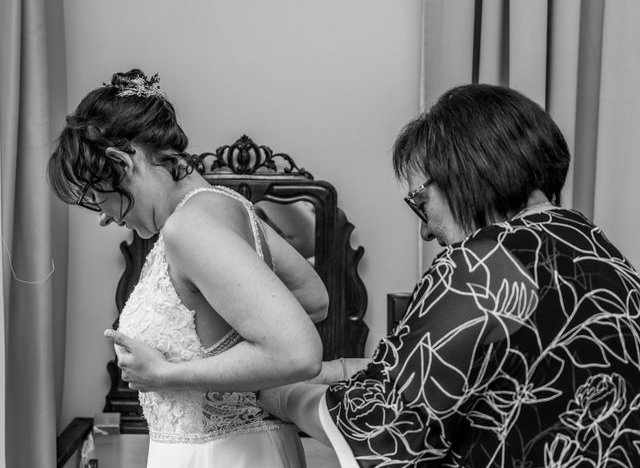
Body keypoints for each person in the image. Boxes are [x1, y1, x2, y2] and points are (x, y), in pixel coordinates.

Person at [258, 83, 640, 467]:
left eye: (421, 202)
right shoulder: (596, 248)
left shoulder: (483, 264)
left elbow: (381, 426)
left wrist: (278, 396)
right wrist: (329, 372)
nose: (425, 230)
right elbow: (481, 373)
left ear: (465, 171)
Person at [48, 69, 329, 468]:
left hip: (223, 455)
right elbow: (313, 299)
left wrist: (164, 375)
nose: (103, 218)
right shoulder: (225, 204)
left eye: (97, 196)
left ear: (121, 162)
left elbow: (299, 353)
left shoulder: (190, 228)